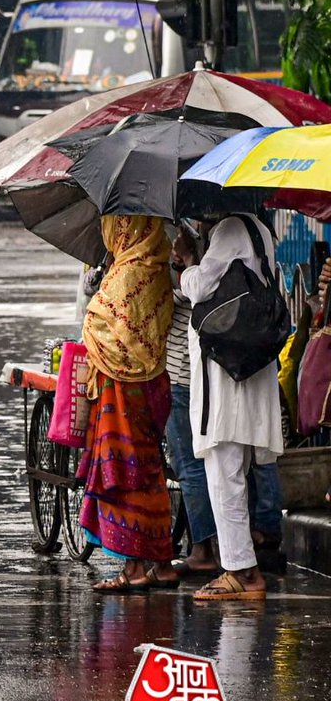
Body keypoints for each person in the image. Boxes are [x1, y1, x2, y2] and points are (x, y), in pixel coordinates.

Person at [177, 214, 284, 600]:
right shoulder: (259, 229)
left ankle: (242, 571)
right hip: (245, 371)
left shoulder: (229, 229)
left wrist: (187, 263)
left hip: (225, 378)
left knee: (224, 473)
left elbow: (201, 287)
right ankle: (241, 566)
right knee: (233, 471)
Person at [79, 215, 174, 593]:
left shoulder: (124, 275)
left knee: (123, 471)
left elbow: (98, 327)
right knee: (150, 471)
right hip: (154, 384)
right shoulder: (159, 270)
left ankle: (133, 568)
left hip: (121, 391)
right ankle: (162, 563)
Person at [161, 233, 221, 578]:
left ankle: (203, 549)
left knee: (189, 465)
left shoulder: (200, 264)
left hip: (182, 375)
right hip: (195, 374)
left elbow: (186, 295)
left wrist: (184, 261)